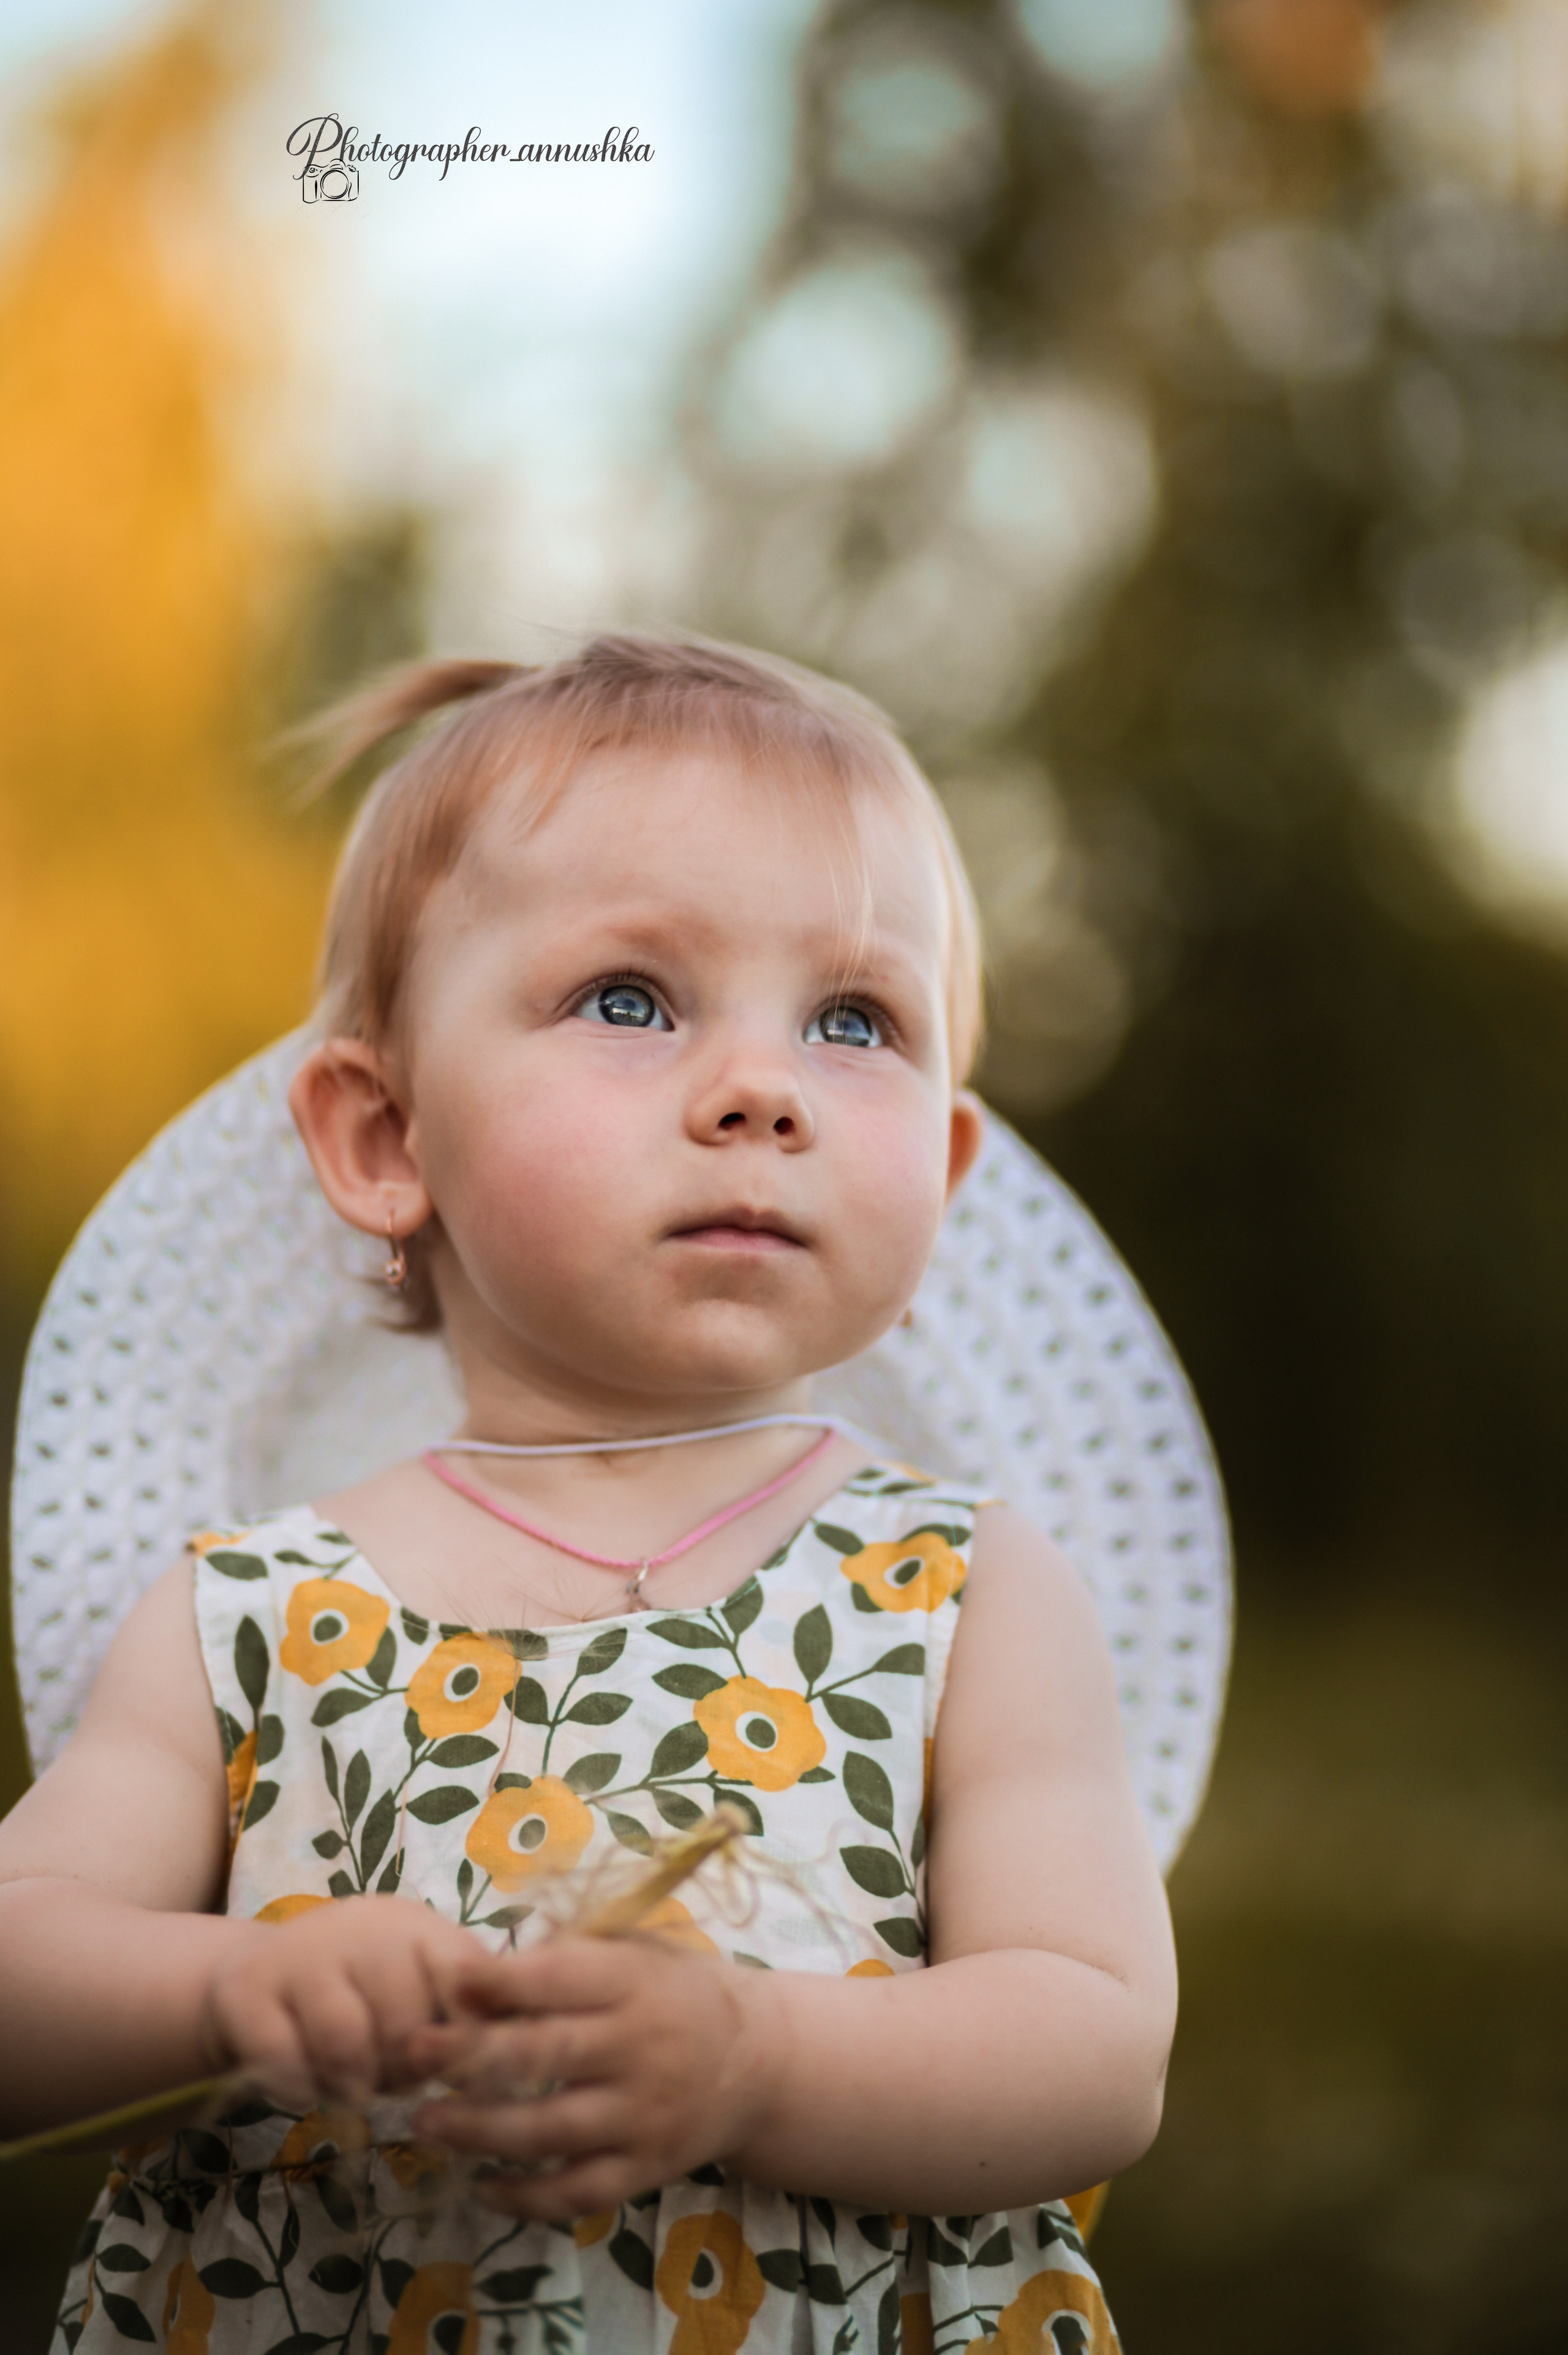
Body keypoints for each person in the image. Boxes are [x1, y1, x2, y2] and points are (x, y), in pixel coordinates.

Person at [0, 635, 1177, 2353]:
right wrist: (229, 1981)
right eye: (630, 997)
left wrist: (753, 2058)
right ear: (385, 1139)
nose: (761, 1088)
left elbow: (1094, 2046)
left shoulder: (967, 1590)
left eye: (855, 1018)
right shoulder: (243, 1613)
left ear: (939, 1173)